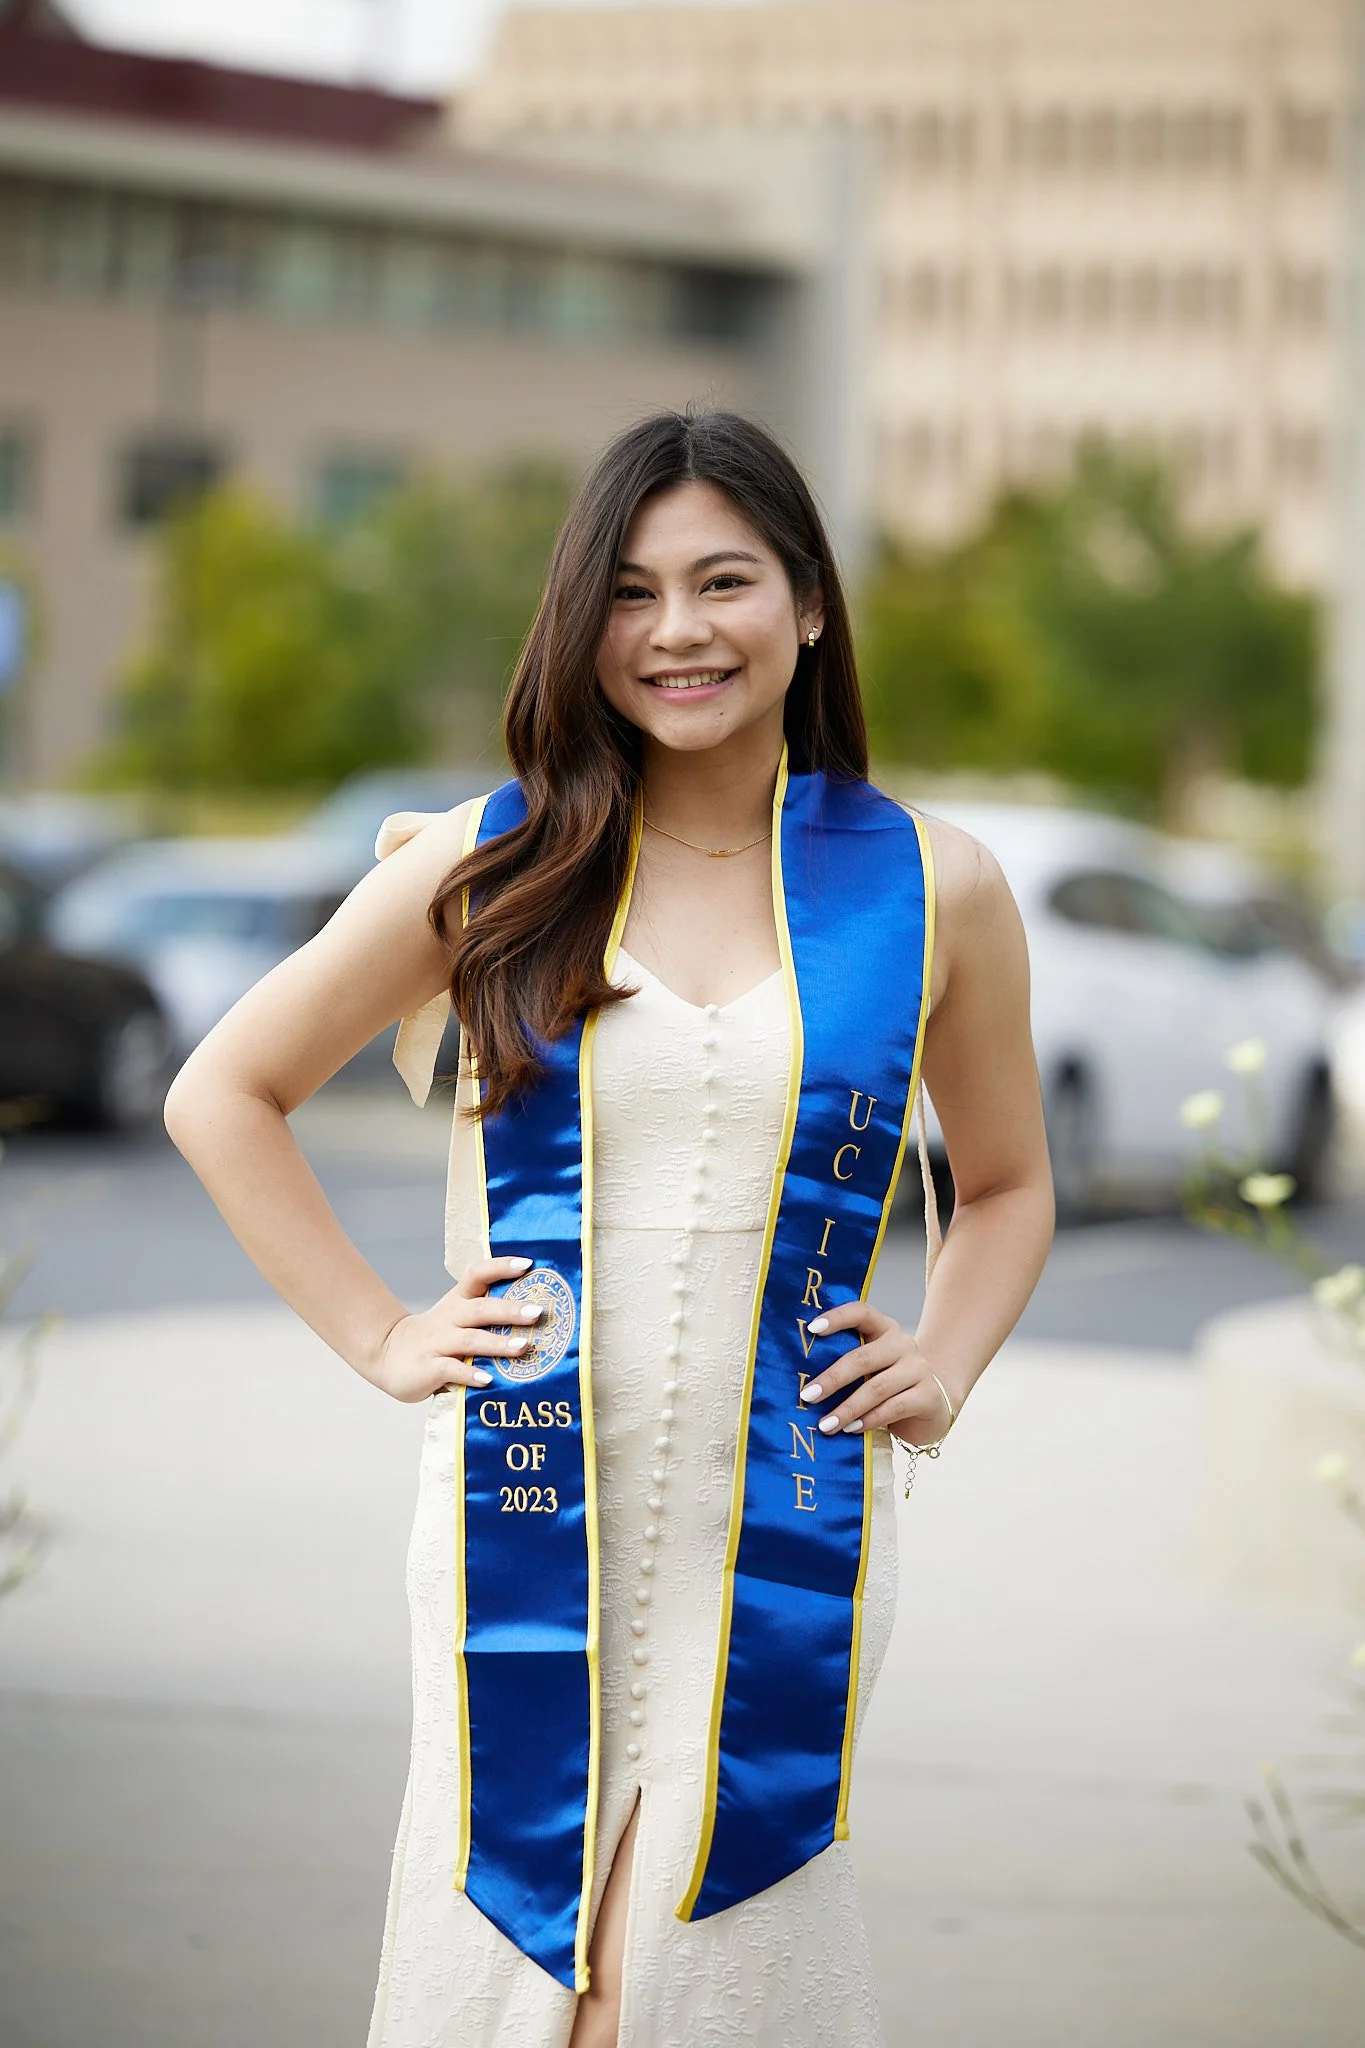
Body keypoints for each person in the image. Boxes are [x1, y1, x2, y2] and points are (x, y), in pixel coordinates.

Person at [165, 408, 1054, 2048]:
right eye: (631, 593)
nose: (677, 631)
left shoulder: (933, 888)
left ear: (810, 604)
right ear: (585, 622)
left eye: (723, 581)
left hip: (782, 1524)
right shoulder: (499, 859)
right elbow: (224, 1091)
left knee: (723, 1962)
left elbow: (1005, 1184)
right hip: (525, 1504)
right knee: (521, 1958)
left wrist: (944, 1363)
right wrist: (383, 1334)